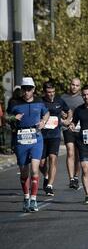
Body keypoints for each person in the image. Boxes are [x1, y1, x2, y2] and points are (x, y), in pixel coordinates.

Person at [7, 78, 49, 212]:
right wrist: (13, 118)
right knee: (24, 171)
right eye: (24, 89)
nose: (27, 92)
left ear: (34, 89)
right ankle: (26, 197)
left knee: (35, 170)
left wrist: (43, 121)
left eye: (29, 89)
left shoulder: (39, 102)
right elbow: (4, 117)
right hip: (21, 140)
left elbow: (47, 113)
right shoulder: (14, 103)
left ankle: (34, 199)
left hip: (36, 138)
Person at [39, 81, 71, 196]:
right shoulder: (40, 101)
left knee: (53, 158)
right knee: (41, 163)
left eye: (53, 92)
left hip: (55, 135)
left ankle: (49, 186)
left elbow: (69, 111)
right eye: (48, 92)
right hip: (41, 136)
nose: (51, 94)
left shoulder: (59, 100)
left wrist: (68, 120)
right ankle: (46, 176)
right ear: (44, 92)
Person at [61, 78, 84, 190]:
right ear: (69, 85)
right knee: (70, 152)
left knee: (78, 155)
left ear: (80, 87)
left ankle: (75, 176)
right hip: (67, 128)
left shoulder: (83, 98)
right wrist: (62, 114)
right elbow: (58, 110)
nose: (74, 87)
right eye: (73, 84)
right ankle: (71, 179)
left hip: (80, 128)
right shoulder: (63, 98)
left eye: (77, 85)